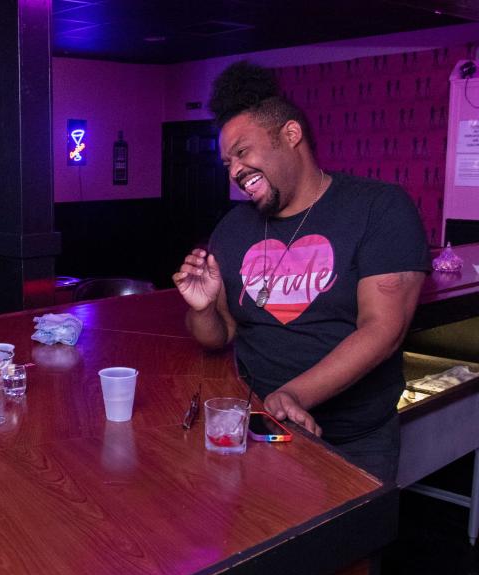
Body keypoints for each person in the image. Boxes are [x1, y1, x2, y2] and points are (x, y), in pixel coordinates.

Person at [172, 61, 430, 482]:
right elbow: (218, 337)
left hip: (354, 440)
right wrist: (202, 308)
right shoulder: (233, 228)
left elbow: (384, 330)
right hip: (260, 430)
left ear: (291, 135)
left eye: (242, 153)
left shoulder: (379, 208)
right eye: (227, 164)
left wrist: (295, 395)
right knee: (259, 542)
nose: (235, 171)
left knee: (350, 548)